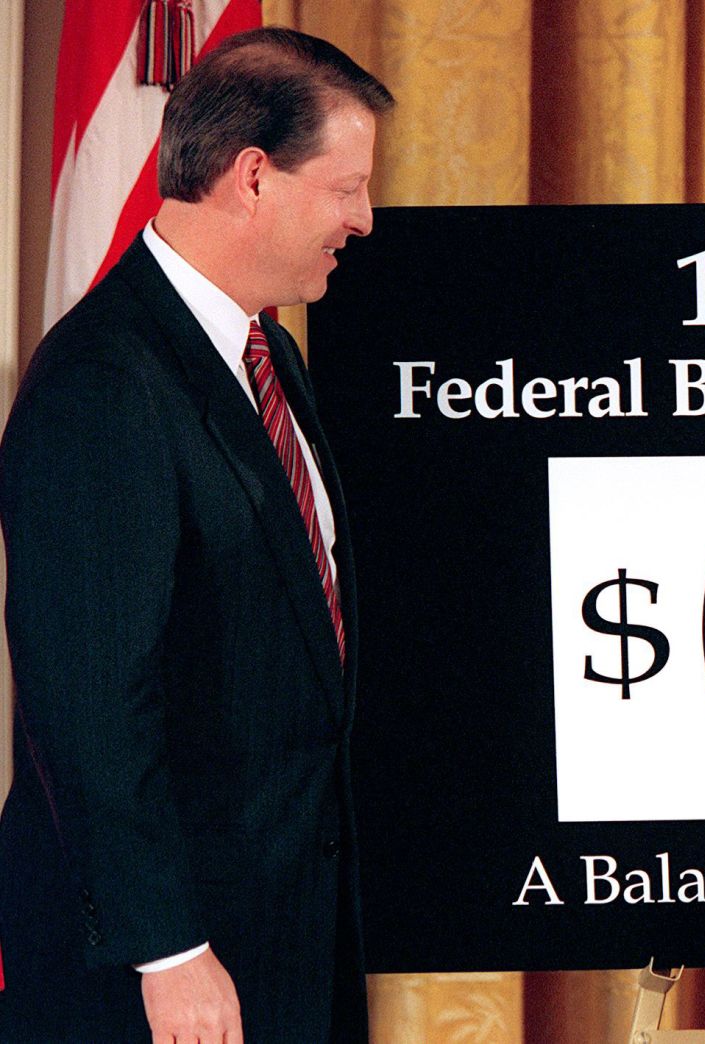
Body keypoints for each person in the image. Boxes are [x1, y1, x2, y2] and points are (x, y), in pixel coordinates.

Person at [0, 28, 393, 1043]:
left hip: (286, 938)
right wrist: (167, 952)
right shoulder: (104, 382)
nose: (364, 218)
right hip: (166, 974)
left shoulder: (264, 356)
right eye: (344, 187)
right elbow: (89, 703)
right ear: (253, 176)